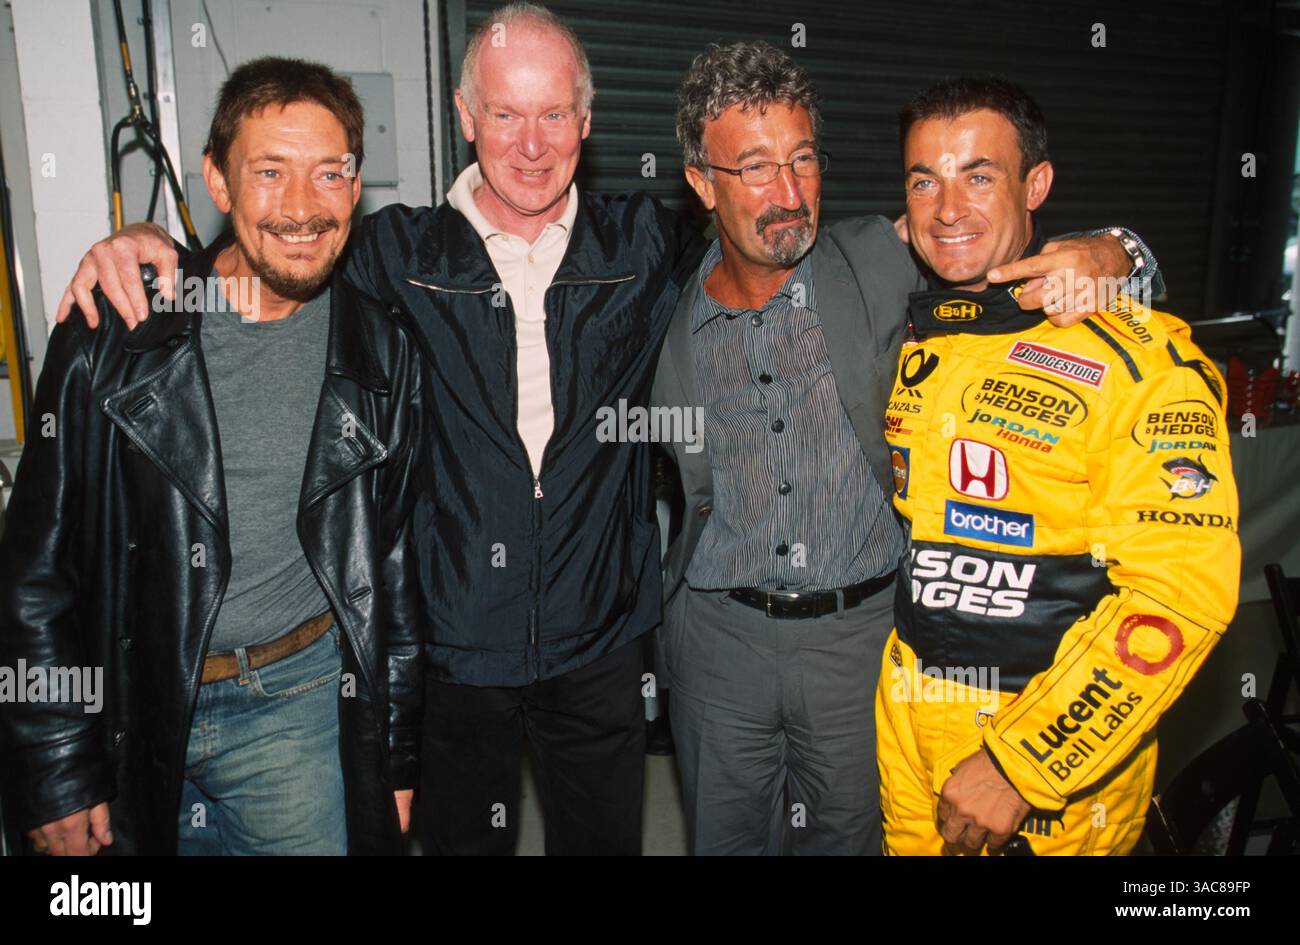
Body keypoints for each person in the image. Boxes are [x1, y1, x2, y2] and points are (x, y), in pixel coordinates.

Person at [652, 42, 1157, 856]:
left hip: (860, 637)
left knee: (856, 840)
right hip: (719, 642)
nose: (788, 194)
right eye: (754, 168)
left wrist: (1117, 252)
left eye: (804, 160)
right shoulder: (662, 301)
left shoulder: (875, 259)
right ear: (702, 183)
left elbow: (985, 233)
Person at [0, 57, 424, 855]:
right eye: (270, 172)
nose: (303, 207)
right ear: (218, 183)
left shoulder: (382, 351)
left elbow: (393, 574)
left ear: (356, 184)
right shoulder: (113, 331)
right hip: (128, 703)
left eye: (329, 172)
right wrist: (55, 763)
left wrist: (396, 754)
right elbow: (35, 574)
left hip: (294, 708)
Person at [875, 75, 1240, 856]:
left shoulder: (1142, 359)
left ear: (1035, 184)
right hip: (910, 730)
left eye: (979, 175)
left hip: (1046, 762)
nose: (948, 209)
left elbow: (1180, 598)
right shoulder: (927, 335)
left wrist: (1022, 762)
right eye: (924, 180)